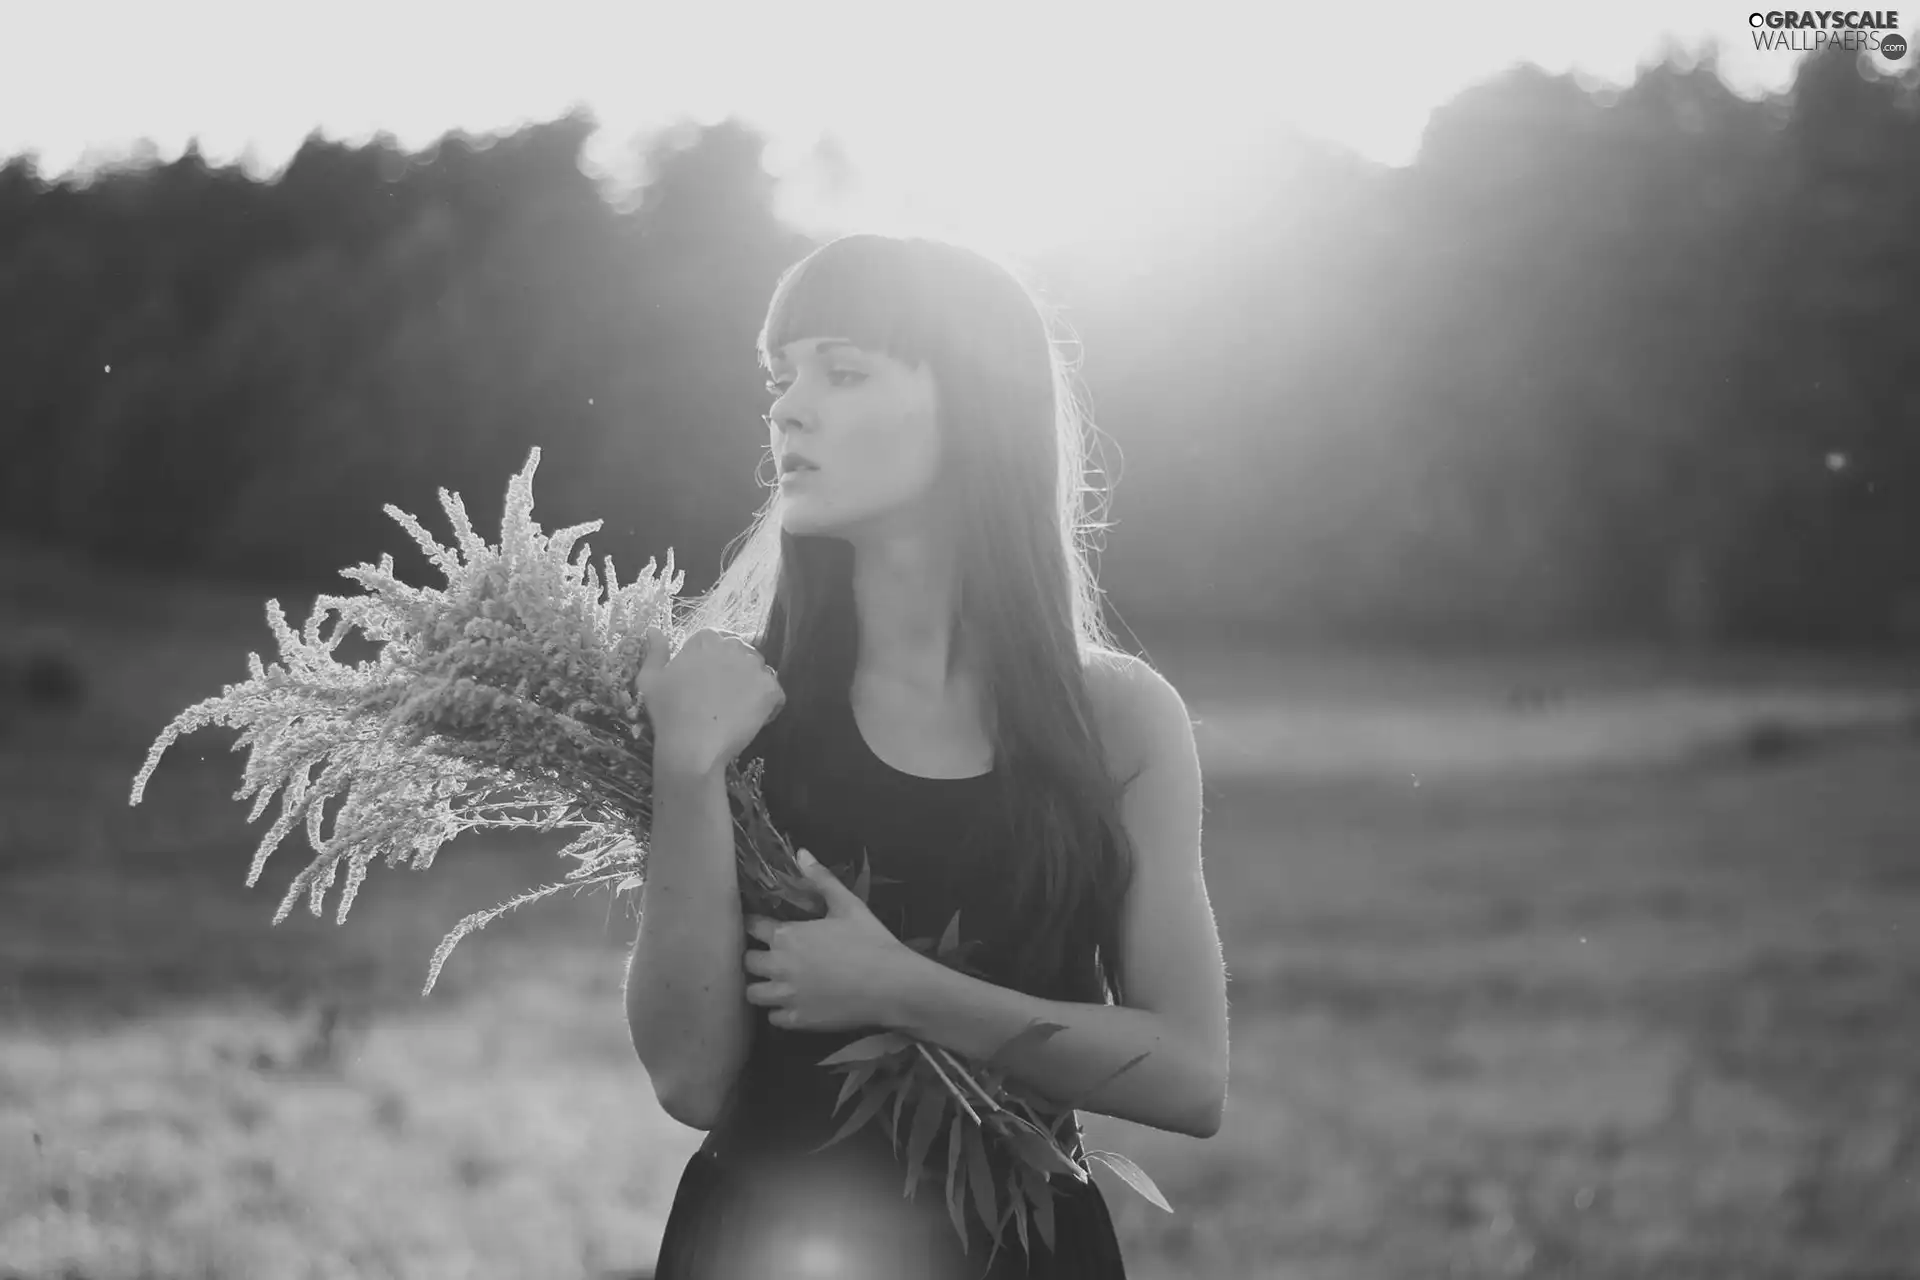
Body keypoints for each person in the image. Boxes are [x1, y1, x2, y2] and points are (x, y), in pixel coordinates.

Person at [626, 233, 1229, 1278]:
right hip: (765, 1247)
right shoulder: (731, 705)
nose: (788, 407)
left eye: (843, 369)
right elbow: (691, 1079)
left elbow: (1188, 1074)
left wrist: (901, 986)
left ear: (976, 406)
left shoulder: (1120, 720)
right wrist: (685, 774)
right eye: (780, 375)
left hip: (1022, 1256)